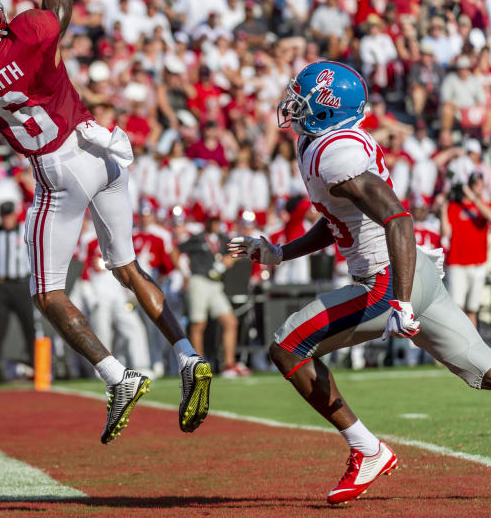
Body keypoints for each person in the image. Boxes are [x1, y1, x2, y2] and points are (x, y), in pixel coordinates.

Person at [0, 0, 211, 443]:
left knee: (48, 292)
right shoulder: (33, 35)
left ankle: (117, 377)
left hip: (58, 173)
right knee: (128, 267)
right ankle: (185, 356)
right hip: (101, 149)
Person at [229, 61, 491, 505]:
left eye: (302, 98)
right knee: (487, 372)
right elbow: (335, 218)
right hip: (413, 272)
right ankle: (368, 448)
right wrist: (280, 252)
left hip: (389, 280)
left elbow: (398, 220)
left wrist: (401, 302)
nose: (292, 104)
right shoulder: (321, 146)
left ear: (327, 108)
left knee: (286, 346)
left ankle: (368, 449)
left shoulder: (334, 154)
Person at [179, 213, 247, 377]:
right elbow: (176, 250)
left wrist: (230, 259)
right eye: (212, 221)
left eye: (217, 221)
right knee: (198, 324)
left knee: (230, 322)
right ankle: (198, 366)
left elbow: (241, 250)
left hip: (216, 284)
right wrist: (184, 274)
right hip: (199, 281)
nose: (215, 224)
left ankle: (229, 364)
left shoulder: (223, 238)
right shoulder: (197, 238)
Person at [0, 201, 34, 382]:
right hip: (1, 285)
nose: (7, 219)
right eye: (4, 215)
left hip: (21, 284)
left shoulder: (25, 230)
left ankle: (36, 367)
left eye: (9, 215)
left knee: (29, 328)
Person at [443, 172, 491, 327]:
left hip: (477, 263)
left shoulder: (484, 205)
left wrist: (473, 198)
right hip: (458, 263)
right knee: (457, 308)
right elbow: (445, 232)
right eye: (474, 183)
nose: (477, 186)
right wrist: (443, 208)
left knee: (472, 309)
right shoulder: (454, 206)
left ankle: (472, 345)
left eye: (479, 183)